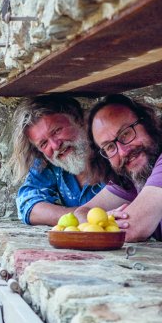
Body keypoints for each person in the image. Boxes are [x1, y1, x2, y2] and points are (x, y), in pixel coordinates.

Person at [75, 94, 162, 261]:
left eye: (126, 134)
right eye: (110, 147)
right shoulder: (137, 171)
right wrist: (101, 222)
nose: (123, 151)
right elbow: (81, 212)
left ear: (147, 122)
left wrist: (103, 221)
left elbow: (133, 228)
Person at [11, 94, 104, 226]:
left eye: (56, 131)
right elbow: (27, 204)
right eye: (43, 144)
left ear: (79, 120)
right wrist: (81, 217)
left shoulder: (109, 150)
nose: (55, 145)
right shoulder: (49, 163)